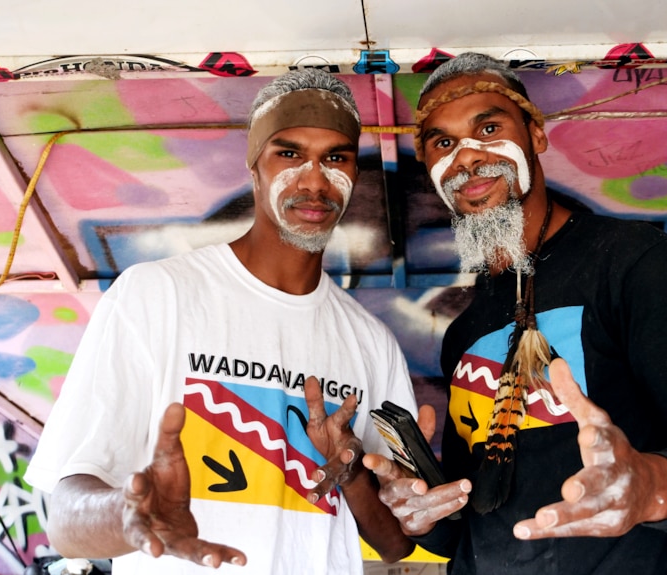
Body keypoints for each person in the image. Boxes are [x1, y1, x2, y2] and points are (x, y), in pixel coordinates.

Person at [363, 52, 667, 574]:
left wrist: (649, 487)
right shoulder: (465, 330)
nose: (468, 157)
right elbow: (469, 521)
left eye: (489, 127)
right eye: (443, 143)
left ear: (536, 135)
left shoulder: (631, 262)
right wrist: (422, 509)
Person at [24, 68, 417, 574]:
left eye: (335, 158)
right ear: (254, 165)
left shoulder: (370, 342)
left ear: (353, 176)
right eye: (289, 154)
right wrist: (128, 517)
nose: (315, 181)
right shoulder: (156, 295)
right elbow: (64, 517)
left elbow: (396, 545)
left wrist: (351, 474)